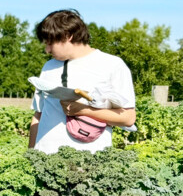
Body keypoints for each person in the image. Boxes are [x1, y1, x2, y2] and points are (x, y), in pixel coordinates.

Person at [29, 9, 135, 153]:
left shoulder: (112, 65)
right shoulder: (48, 67)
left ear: (68, 36)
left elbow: (128, 118)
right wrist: (31, 154)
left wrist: (83, 110)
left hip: (88, 161)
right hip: (44, 157)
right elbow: (38, 116)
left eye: (50, 44)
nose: (47, 50)